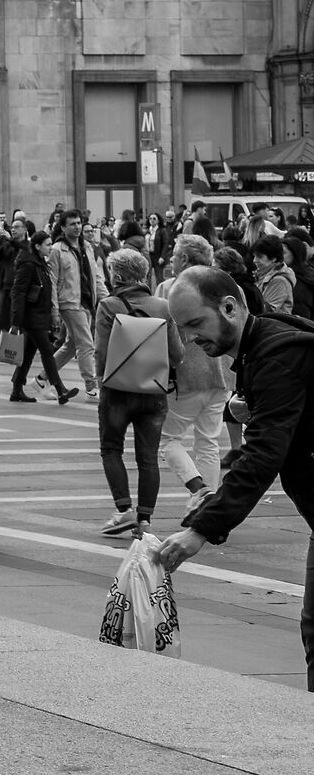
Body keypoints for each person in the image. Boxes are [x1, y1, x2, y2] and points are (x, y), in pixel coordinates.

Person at [154, 265, 314, 690]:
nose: (189, 339)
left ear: (229, 307)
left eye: (195, 324)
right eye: (182, 328)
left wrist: (200, 531)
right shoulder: (262, 343)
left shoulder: (277, 353)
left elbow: (261, 456)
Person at [93, 245, 186, 539]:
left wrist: (100, 379)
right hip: (153, 391)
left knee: (111, 449)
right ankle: (145, 521)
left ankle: (123, 510)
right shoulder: (162, 306)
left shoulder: (108, 305)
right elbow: (177, 354)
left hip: (118, 389)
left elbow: (101, 352)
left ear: (118, 275)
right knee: (147, 458)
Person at [156, 237, 228, 509]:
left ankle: (199, 490)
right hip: (221, 373)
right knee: (208, 441)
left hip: (186, 375)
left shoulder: (170, 289)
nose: (171, 260)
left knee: (167, 439)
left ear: (184, 259)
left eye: (174, 256)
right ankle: (209, 503)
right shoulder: (223, 285)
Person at [8, 221, 78, 404]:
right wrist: (16, 321)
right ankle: (60, 388)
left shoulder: (39, 263)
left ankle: (16, 389)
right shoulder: (29, 265)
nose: (50, 247)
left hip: (38, 315)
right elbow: (18, 292)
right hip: (31, 318)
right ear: (37, 246)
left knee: (28, 354)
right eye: (47, 245)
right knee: (47, 351)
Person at [51, 214, 103, 399]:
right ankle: (91, 384)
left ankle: (42, 379)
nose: (77, 227)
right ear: (63, 228)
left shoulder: (87, 247)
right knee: (86, 343)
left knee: (72, 345)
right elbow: (53, 281)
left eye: (79, 223)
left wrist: (104, 298)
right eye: (72, 224)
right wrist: (54, 308)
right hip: (69, 302)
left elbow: (95, 276)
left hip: (87, 301)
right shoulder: (57, 249)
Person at [254, 236, 301, 317]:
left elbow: (265, 312)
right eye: (254, 256)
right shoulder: (262, 274)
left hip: (273, 327)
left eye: (260, 257)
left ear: (274, 258)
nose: (254, 260)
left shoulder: (280, 281)